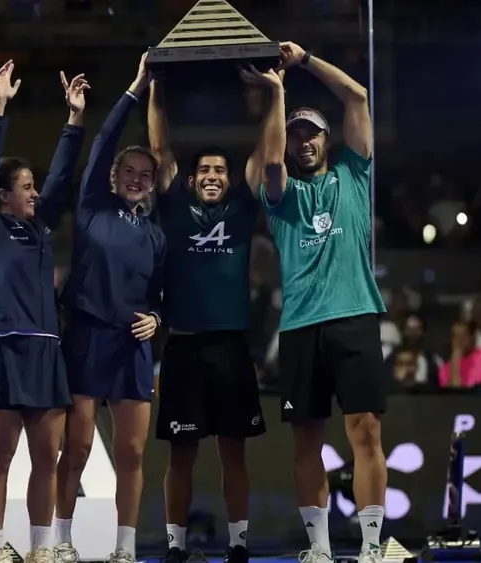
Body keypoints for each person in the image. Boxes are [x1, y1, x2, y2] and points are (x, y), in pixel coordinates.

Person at [254, 42, 387, 563]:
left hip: (355, 318)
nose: (303, 141)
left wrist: (305, 60)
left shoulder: (354, 174)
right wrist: (277, 94)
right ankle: (320, 549)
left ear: (327, 140)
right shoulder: (281, 195)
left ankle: (371, 548)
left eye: (311, 133)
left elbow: (357, 96)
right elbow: (269, 161)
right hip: (301, 327)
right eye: (295, 135)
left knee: (366, 432)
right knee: (306, 441)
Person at [146, 69, 285, 563]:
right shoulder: (174, 206)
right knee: (180, 455)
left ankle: (239, 547)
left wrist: (275, 93)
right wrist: (156, 85)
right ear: (190, 179)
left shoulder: (243, 208)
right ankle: (175, 548)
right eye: (204, 170)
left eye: (220, 171)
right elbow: (159, 148)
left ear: (230, 179)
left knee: (234, 452)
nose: (212, 176)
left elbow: (268, 154)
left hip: (230, 348)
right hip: (183, 347)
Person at [0, 60, 89, 563]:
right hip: (0, 347)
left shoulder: (41, 227)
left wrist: (74, 119)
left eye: (34, 186)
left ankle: (40, 551)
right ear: (3, 195)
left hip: (45, 352)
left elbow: (62, 176)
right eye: (26, 186)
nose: (35, 192)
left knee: (46, 461)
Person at [54, 53, 165, 563]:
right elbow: (101, 143)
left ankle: (125, 549)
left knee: (133, 453)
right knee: (76, 449)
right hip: (87, 338)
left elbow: (162, 294)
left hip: (132, 347)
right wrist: (136, 87)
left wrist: (157, 318)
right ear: (114, 174)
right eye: (130, 171)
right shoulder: (92, 207)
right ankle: (61, 541)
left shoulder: (157, 235)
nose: (138, 179)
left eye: (146, 174)